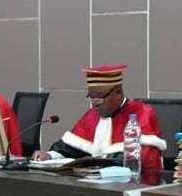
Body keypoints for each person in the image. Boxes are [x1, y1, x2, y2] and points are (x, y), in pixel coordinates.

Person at [33, 64, 167, 181]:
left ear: (118, 93)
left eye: (100, 97)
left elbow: (142, 158)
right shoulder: (94, 114)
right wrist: (50, 155)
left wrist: (100, 160)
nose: (94, 104)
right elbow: (69, 148)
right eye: (91, 97)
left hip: (137, 184)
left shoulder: (141, 112)